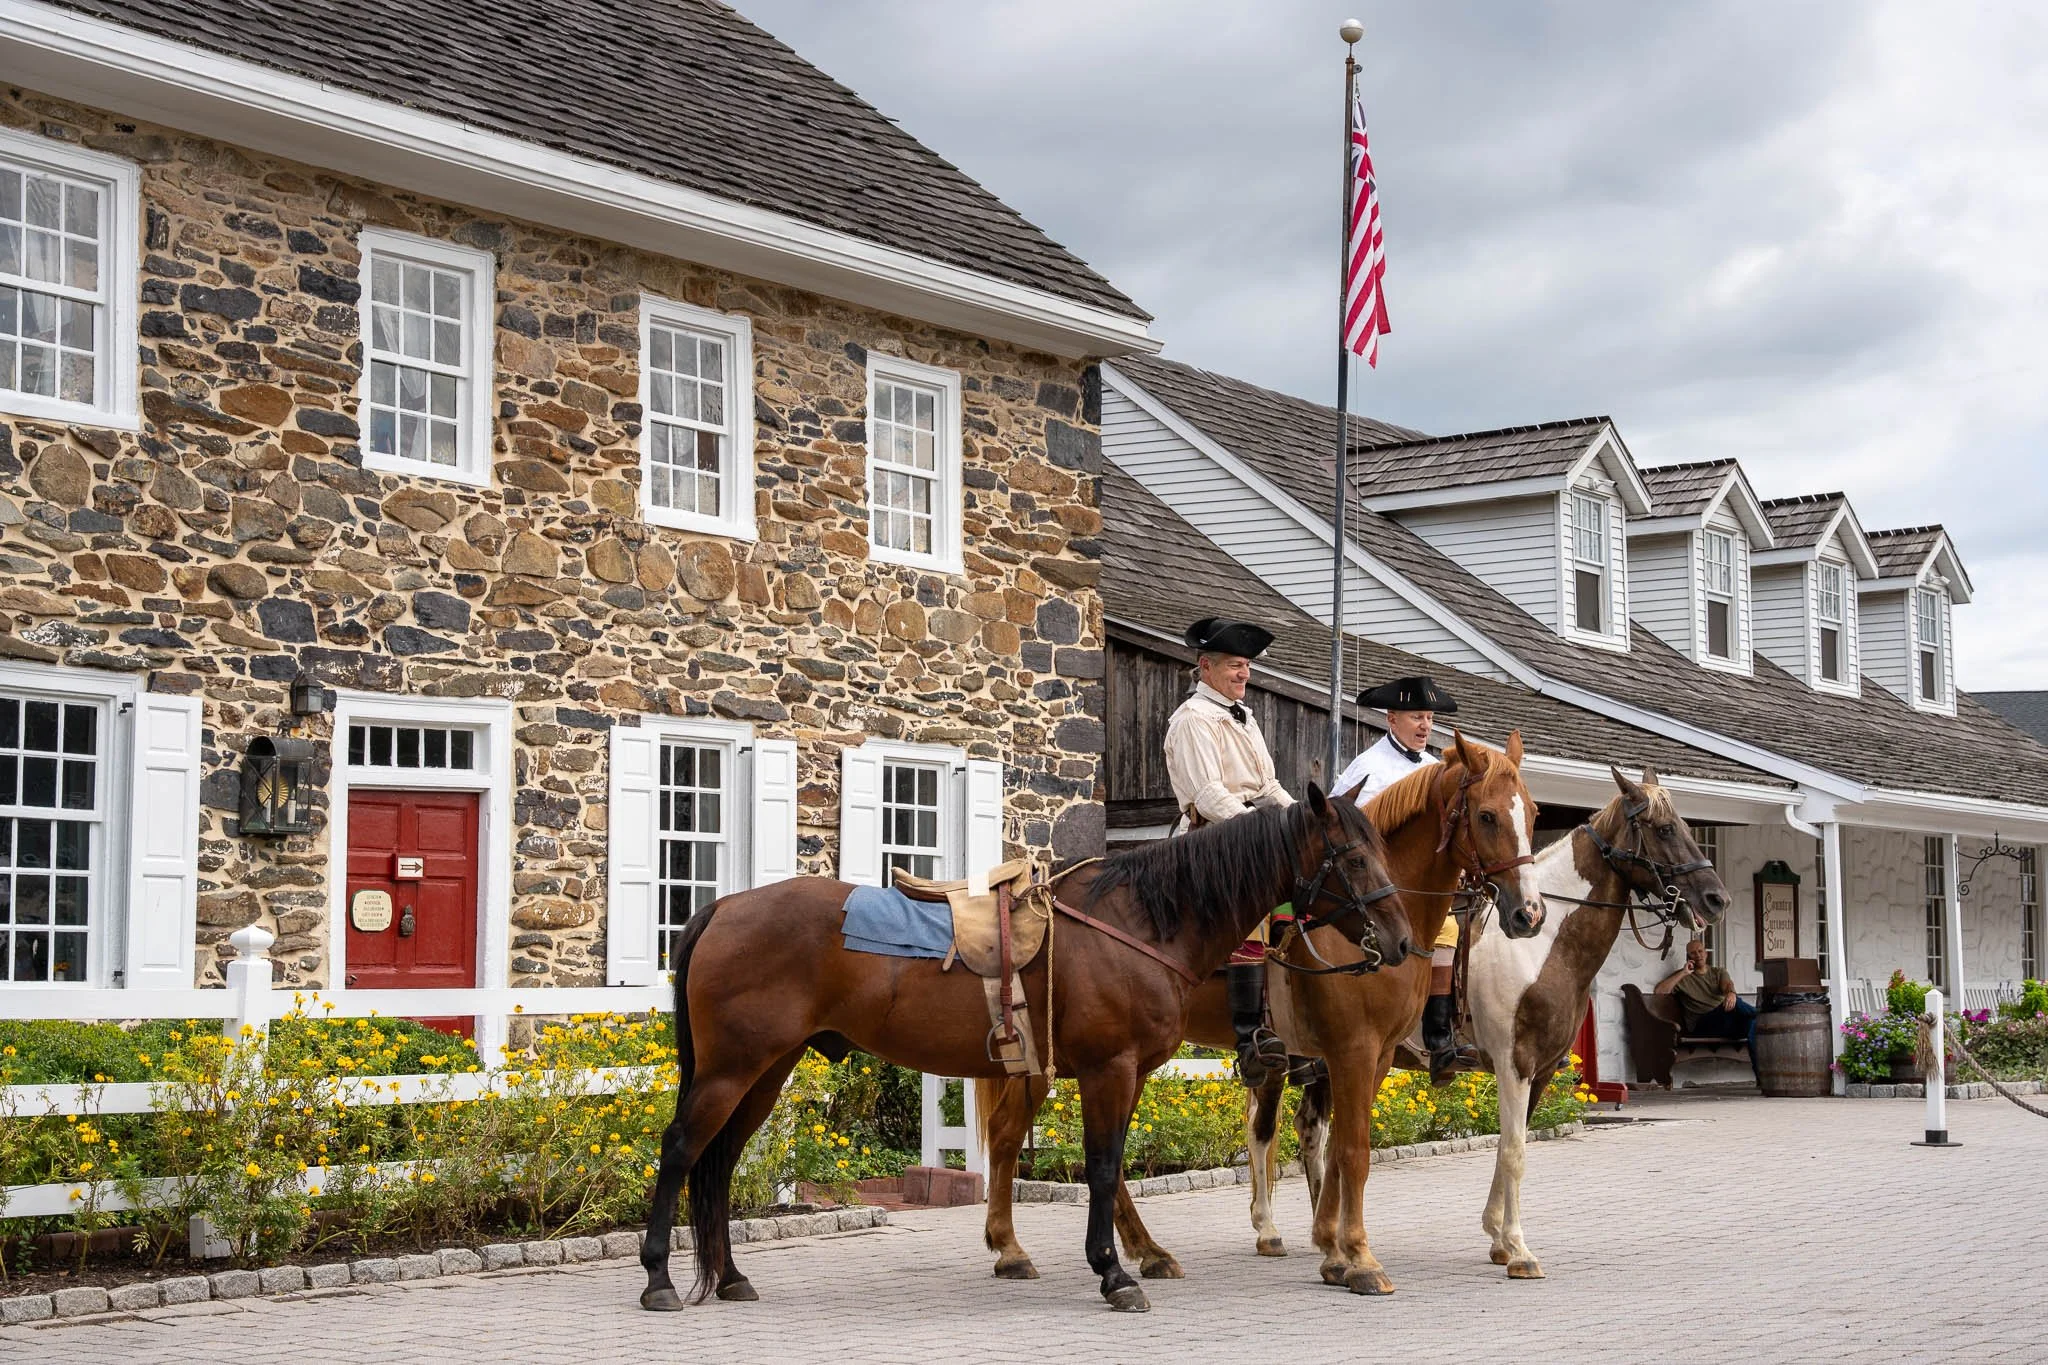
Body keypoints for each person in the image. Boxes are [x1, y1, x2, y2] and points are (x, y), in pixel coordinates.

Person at [1163, 617, 1294, 1086]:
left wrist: (1304, 821)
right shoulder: (1194, 720)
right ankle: (1249, 1038)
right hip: (1210, 839)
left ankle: (1298, 1025)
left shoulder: (1246, 717)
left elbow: (1270, 785)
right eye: (1235, 665)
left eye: (1247, 666)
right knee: (1247, 911)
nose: (1244, 674)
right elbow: (1209, 796)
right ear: (1206, 667)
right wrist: (1261, 831)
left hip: (1253, 832)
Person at [1334, 675, 1477, 1086]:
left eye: (1430, 718)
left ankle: (1439, 1039)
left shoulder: (1437, 770)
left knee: (1448, 929)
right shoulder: (1367, 767)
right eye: (1417, 716)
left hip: (1421, 893)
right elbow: (1337, 821)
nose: (1425, 726)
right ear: (1392, 718)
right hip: (1374, 888)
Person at [1656, 937, 1758, 1076]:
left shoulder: (1718, 972)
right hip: (1702, 1024)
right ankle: (1762, 1014)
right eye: (1693, 953)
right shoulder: (1683, 978)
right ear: (1688, 957)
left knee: (1752, 1024)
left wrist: (1731, 993)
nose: (1698, 955)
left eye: (1700, 951)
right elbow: (1660, 991)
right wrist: (1684, 972)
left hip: (1725, 1022)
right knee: (1745, 1011)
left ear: (1706, 953)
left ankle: (1760, 1075)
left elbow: (1727, 985)